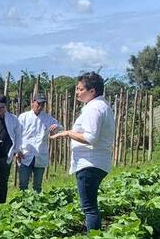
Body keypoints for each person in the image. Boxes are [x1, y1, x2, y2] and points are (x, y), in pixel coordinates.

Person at [51, 72, 115, 232]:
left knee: (89, 207)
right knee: (90, 205)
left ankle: (93, 235)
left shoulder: (94, 109)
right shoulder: (101, 106)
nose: (77, 92)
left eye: (80, 89)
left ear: (92, 91)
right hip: (96, 162)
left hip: (90, 163)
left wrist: (66, 133)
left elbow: (90, 137)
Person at [17, 93, 62, 193]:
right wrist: (18, 151)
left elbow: (60, 127)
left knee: (37, 185)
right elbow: (17, 135)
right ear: (32, 103)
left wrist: (56, 126)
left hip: (40, 155)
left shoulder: (48, 118)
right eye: (38, 103)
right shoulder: (23, 117)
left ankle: (37, 205)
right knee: (23, 184)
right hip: (25, 154)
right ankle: (23, 205)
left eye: (42, 104)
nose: (40, 106)